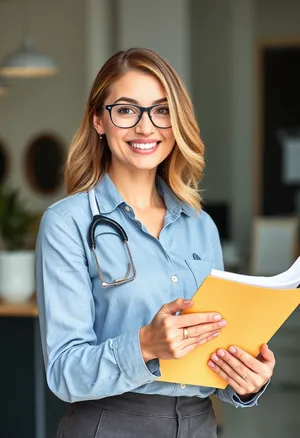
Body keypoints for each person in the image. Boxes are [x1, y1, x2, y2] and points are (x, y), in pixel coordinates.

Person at [35, 48, 275, 438]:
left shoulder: (201, 225)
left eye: (162, 111)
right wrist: (145, 344)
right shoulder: (67, 224)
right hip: (111, 424)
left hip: (199, 424)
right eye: (127, 110)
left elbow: (215, 349)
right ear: (99, 121)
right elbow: (64, 373)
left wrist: (247, 379)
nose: (147, 128)